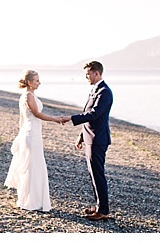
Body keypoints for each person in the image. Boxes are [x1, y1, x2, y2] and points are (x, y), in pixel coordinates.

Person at [56, 61, 114, 221]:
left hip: (98, 139)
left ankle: (103, 210)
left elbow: (94, 114)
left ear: (97, 73)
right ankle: (98, 206)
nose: (86, 77)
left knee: (98, 174)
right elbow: (88, 114)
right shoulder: (94, 90)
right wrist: (81, 136)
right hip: (90, 137)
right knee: (93, 174)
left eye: (88, 74)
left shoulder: (105, 92)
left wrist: (70, 118)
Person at [4, 69, 65, 212]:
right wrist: (55, 119)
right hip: (31, 134)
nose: (39, 82)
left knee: (35, 166)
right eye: (36, 80)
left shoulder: (26, 95)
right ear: (30, 82)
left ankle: (33, 200)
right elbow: (36, 114)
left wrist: (20, 134)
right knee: (33, 166)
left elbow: (22, 119)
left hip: (31, 133)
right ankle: (30, 201)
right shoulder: (28, 96)